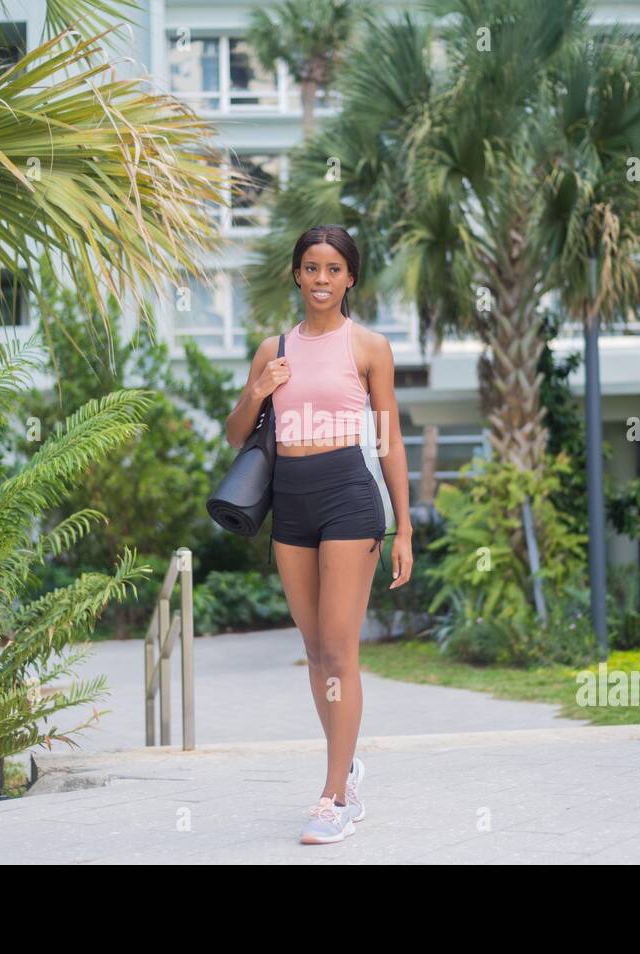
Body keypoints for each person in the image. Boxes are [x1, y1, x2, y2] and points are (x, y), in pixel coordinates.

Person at [224, 225, 414, 845]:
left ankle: (336, 795)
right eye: (311, 268)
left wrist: (403, 526)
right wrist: (258, 389)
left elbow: (390, 442)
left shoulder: (369, 347)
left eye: (334, 268)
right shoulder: (271, 349)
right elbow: (234, 436)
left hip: (349, 498)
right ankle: (346, 763)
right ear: (297, 275)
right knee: (314, 651)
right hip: (291, 504)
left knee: (340, 648)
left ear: (350, 277)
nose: (322, 279)